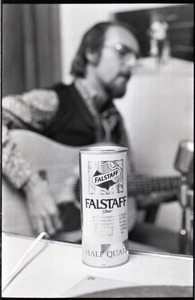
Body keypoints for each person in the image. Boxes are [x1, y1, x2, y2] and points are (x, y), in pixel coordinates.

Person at [2, 21, 177, 245]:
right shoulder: (53, 101)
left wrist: (175, 186)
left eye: (136, 56)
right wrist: (32, 184)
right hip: (44, 240)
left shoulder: (115, 122)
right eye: (122, 52)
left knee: (175, 248)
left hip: (91, 238)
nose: (133, 63)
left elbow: (122, 189)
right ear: (91, 53)